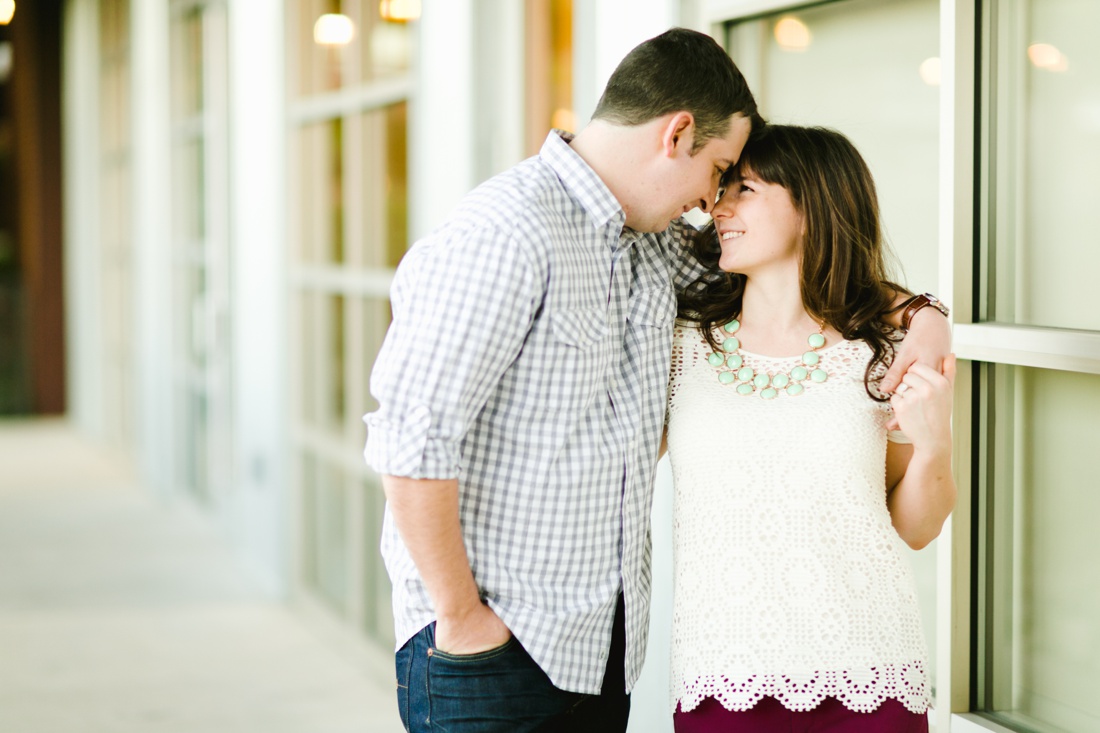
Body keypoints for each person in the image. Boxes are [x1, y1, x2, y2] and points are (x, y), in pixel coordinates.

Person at [364, 27, 951, 733]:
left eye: (738, 184)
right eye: (720, 170)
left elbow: (818, 275)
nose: (713, 204)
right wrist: (460, 618)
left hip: (596, 653)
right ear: (677, 135)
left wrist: (927, 319)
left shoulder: (653, 246)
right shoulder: (508, 232)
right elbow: (411, 442)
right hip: (493, 647)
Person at [666, 124, 956, 732]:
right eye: (723, 189)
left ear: (812, 206)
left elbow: (916, 528)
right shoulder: (680, 345)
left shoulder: (885, 352)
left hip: (871, 677)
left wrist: (934, 445)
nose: (719, 208)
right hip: (724, 674)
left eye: (745, 189)